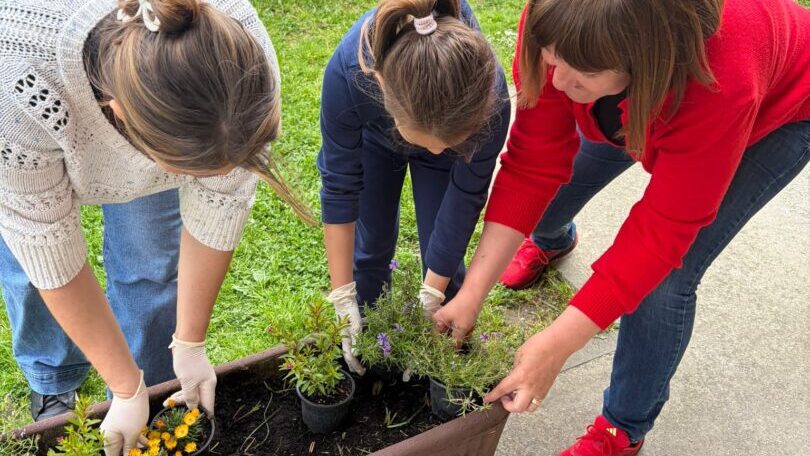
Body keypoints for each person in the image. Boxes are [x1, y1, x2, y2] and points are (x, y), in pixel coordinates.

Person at [432, 0, 810, 454]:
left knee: (664, 279)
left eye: (582, 75)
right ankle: (554, 240)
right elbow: (533, 161)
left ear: (642, 62)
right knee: (547, 204)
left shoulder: (722, 83)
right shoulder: (558, 19)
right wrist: (471, 293)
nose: (557, 82)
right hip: (646, 87)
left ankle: (622, 430)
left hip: (779, 110)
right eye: (552, 58)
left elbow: (662, 233)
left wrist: (557, 345)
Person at [0, 0, 310, 453]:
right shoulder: (16, 83)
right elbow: (48, 248)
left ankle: (150, 387)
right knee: (31, 274)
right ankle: (54, 377)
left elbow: (222, 203)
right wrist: (124, 387)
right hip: (38, 118)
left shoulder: (239, 50)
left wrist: (189, 342)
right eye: (196, 171)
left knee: (149, 261)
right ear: (120, 114)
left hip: (161, 114)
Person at [318, 0, 511, 375]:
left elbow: (464, 197)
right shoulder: (347, 74)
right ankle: (371, 339)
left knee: (443, 259)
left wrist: (432, 296)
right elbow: (340, 187)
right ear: (381, 84)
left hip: (453, 124)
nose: (438, 151)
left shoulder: (488, 97)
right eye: (430, 142)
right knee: (370, 249)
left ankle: (447, 338)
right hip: (377, 137)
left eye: (445, 145)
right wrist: (343, 297)